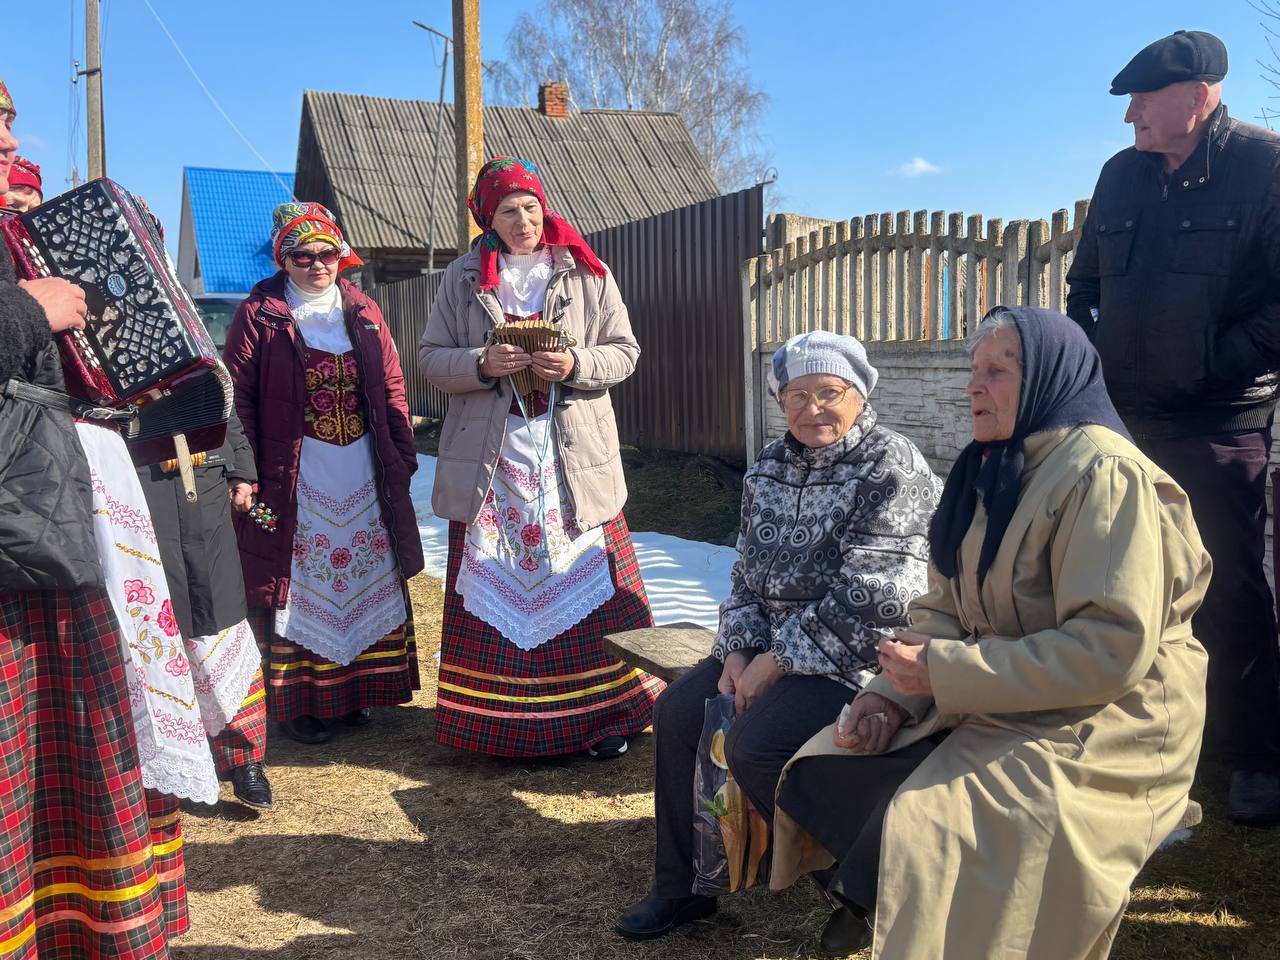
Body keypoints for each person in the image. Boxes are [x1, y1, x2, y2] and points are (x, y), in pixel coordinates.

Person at [769, 307, 1210, 959]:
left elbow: (1110, 650)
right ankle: (875, 895)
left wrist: (948, 675)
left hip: (1106, 719)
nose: (974, 385)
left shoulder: (1105, 475)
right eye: (973, 370)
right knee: (822, 766)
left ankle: (920, 918)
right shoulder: (994, 467)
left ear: (1051, 378)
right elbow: (945, 606)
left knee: (936, 823)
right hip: (1003, 694)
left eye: (999, 371)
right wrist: (890, 695)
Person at [615, 331, 941, 941]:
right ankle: (683, 888)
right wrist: (739, 652)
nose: (813, 408)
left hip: (857, 658)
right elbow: (745, 573)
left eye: (829, 392)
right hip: (770, 648)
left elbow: (879, 593)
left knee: (754, 743)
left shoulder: (889, 463)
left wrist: (779, 659)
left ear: (860, 393)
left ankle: (859, 885)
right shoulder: (768, 465)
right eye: (797, 395)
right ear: (779, 399)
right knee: (678, 712)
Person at [1065, 29, 1280, 824]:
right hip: (1123, 419)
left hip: (1220, 420)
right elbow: (1083, 288)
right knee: (1123, 582)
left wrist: (1213, 363)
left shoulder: (1265, 167)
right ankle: (1145, 735)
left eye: (1143, 101)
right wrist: (1094, 369)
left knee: (1227, 586)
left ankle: (1254, 752)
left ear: (1198, 96)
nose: (1130, 118)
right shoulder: (1119, 177)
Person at [0, 76, 181, 957]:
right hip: (21, 519)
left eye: (9, 124)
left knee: (59, 736)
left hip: (37, 516)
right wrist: (23, 311)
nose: (9, 144)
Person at [418, 156, 661, 759]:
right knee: (497, 582)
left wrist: (576, 364)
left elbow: (625, 351)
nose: (523, 220)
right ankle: (495, 726)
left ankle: (603, 719)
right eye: (508, 210)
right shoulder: (462, 278)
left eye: (531, 207)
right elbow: (430, 358)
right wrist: (480, 363)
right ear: (488, 218)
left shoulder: (585, 270)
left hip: (571, 457)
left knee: (583, 581)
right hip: (492, 462)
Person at [224, 201, 423, 745]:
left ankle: (356, 691)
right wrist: (244, 471)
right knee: (300, 579)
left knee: (362, 573)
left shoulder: (363, 310)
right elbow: (237, 397)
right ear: (283, 261)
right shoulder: (259, 314)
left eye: (328, 254)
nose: (318, 265)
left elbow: (392, 386)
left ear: (342, 256)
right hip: (291, 474)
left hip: (362, 468)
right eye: (304, 256)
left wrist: (401, 456)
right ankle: (302, 702)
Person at [135, 407, 274, 809]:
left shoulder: (199, 361)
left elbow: (224, 407)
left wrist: (242, 473)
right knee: (159, 634)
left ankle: (246, 760)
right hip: (142, 491)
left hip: (207, 485)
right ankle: (168, 767)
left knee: (223, 629)